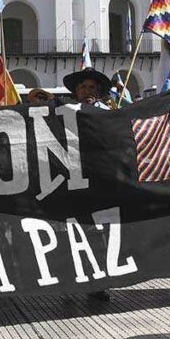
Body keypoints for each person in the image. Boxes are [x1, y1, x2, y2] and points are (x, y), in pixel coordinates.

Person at [62, 67, 114, 302]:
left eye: (92, 87)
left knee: (99, 234)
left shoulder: (112, 115)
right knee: (70, 233)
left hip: (101, 184)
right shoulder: (63, 113)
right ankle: (69, 280)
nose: (87, 91)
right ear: (76, 91)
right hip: (71, 182)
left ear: (99, 91)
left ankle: (98, 282)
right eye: (83, 87)